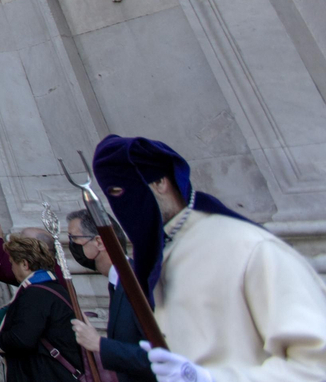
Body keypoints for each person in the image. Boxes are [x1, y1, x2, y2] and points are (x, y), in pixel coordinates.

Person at [93, 135, 326, 382]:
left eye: (122, 191)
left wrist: (209, 378)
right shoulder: (159, 260)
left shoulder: (249, 247)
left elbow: (316, 364)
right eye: (111, 196)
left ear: (160, 182)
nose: (122, 207)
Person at [65, 207, 152, 382]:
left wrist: (99, 344)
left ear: (99, 242)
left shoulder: (137, 283)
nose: (72, 246)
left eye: (75, 239)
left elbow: (159, 355)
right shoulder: (119, 282)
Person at [0, 235, 86, 382]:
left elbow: (21, 339)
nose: (12, 269)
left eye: (12, 263)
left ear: (24, 264)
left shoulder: (35, 294)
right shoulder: (56, 288)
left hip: (49, 374)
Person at [0, 218, 51, 286]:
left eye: (23, 242)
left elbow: (9, 273)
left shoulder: (50, 274)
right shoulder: (28, 271)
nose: (18, 245)